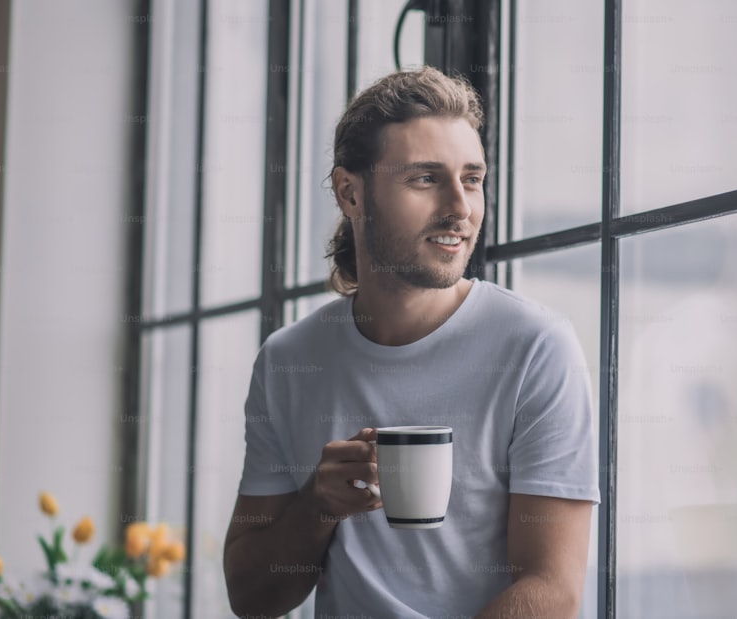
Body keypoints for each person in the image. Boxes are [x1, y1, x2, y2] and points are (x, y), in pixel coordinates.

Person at [223, 66, 599, 618]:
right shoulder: (288, 361)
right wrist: (317, 506)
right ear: (350, 192)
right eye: (425, 178)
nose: (460, 207)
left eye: (472, 178)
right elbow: (251, 598)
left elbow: (552, 591)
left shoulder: (536, 348)